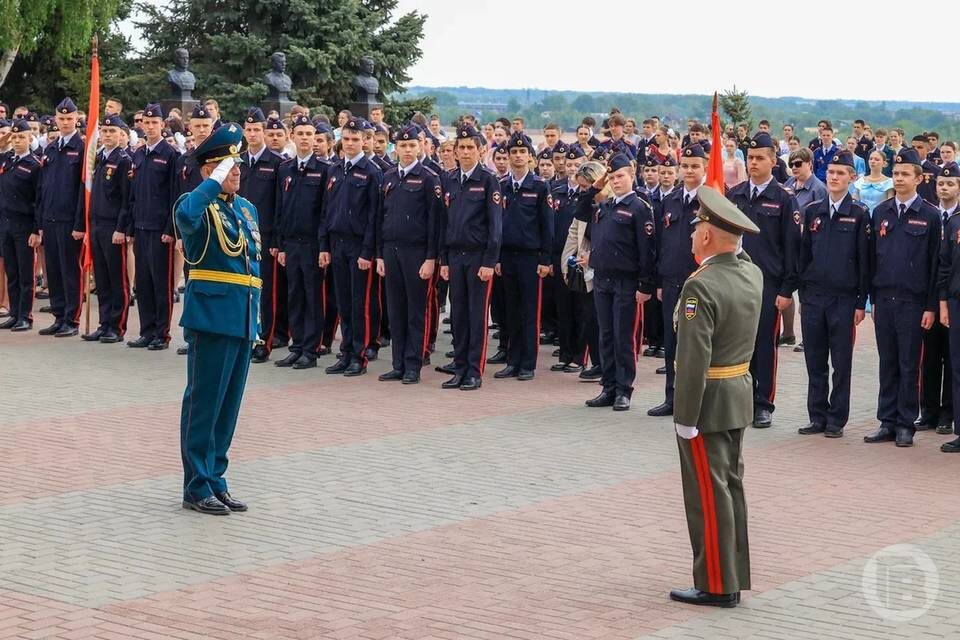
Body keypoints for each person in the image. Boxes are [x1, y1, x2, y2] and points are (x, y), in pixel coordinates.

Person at [669, 185, 762, 610]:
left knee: (708, 493)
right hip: (737, 393)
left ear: (707, 235)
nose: (691, 236)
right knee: (729, 488)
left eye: (696, 229)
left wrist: (684, 416)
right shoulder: (750, 272)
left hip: (706, 404)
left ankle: (717, 583)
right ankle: (732, 574)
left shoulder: (700, 288)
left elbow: (692, 360)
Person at [174, 122, 260, 516]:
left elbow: (251, 268)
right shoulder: (195, 203)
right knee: (204, 404)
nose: (238, 171)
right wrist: (210, 183)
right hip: (210, 317)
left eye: (238, 165)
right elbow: (187, 216)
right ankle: (196, 485)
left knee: (228, 407)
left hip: (241, 318)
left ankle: (217, 479)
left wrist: (255, 321)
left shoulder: (246, 208)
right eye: (229, 166)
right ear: (210, 170)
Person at [865, 148, 941, 448]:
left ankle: (906, 423)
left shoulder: (930, 215)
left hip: (913, 302)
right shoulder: (880, 212)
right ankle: (887, 420)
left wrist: (931, 306)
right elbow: (873, 258)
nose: (898, 178)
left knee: (910, 364)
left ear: (919, 179)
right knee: (887, 362)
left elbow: (936, 265)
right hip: (885, 299)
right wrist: (871, 299)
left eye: (905, 174)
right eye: (895, 174)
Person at [727, 132, 801, 428]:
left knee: (763, 343)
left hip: (767, 284)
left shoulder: (784, 199)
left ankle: (762, 403)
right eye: (751, 158)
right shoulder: (736, 194)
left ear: (773, 161)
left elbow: (792, 248)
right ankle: (739, 399)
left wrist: (786, 290)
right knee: (736, 342)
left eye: (760, 158)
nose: (754, 163)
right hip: (736, 280)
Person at [795, 151, 870, 438]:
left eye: (841, 173)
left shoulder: (860, 213)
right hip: (814, 296)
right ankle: (817, 416)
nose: (835, 177)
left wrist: (861, 302)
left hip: (844, 298)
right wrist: (803, 292)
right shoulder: (813, 210)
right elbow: (804, 254)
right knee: (814, 359)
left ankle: (837, 418)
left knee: (840, 362)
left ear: (852, 177)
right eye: (831, 172)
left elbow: (865, 261)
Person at [577, 154, 656, 411]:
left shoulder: (639, 207)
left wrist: (645, 285)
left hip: (626, 281)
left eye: (620, 176)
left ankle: (624, 389)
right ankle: (608, 387)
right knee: (606, 335)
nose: (616, 181)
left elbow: (647, 250)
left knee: (624, 337)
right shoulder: (605, 206)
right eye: (612, 177)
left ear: (632, 175)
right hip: (602, 279)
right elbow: (581, 208)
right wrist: (599, 185)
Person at [375, 124, 442, 384]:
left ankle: (413, 364)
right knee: (395, 309)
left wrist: (430, 258)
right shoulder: (389, 177)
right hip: (391, 251)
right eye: (402, 145)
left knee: (416, 310)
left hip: (417, 253)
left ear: (420, 147)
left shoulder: (428, 178)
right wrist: (380, 254)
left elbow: (435, 222)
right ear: (396, 147)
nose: (407, 150)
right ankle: (398, 363)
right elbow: (381, 218)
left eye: (412, 145)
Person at [437, 124, 502, 391]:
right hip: (454, 256)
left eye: (469, 148)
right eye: (460, 148)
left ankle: (474, 371)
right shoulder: (450, 179)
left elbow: (495, 226)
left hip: (478, 259)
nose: (464, 152)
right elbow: (443, 223)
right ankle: (460, 367)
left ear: (479, 150)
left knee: (476, 316)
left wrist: (489, 261)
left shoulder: (488, 180)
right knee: (459, 315)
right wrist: (443, 260)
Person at [318, 117, 383, 376]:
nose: (351, 143)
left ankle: (359, 355)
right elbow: (326, 211)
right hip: (337, 243)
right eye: (346, 139)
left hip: (359, 247)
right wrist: (324, 245)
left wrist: (368, 251)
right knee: (343, 302)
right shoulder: (333, 170)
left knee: (360, 303)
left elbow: (374, 217)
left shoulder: (371, 172)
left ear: (365, 141)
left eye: (356, 139)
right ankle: (345, 352)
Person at [647, 144, 706, 417]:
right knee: (672, 342)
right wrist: (659, 281)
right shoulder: (670, 201)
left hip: (700, 284)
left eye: (695, 166)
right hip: (671, 282)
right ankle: (672, 397)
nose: (689, 170)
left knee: (697, 343)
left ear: (704, 168)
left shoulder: (710, 201)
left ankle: (697, 401)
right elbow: (661, 243)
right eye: (686, 165)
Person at [493, 133, 553, 381]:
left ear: (531, 157)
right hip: (507, 256)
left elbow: (546, 225)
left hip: (530, 258)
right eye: (513, 152)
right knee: (511, 311)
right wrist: (495, 257)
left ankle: (527, 363)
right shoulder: (502, 185)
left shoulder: (539, 186)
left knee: (530, 311)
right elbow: (496, 224)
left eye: (522, 152)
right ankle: (512, 360)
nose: (517, 156)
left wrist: (545, 259)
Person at [274, 114, 328, 370]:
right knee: (294, 296)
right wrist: (281, 245)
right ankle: (296, 347)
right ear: (292, 137)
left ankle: (311, 348)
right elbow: (279, 209)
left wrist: (323, 245)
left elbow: (325, 213)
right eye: (301, 134)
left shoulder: (325, 170)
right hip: (291, 244)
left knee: (312, 298)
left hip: (313, 245)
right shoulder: (284, 169)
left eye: (310, 135)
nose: (305, 139)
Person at [127, 103, 180, 350]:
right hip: (141, 227)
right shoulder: (137, 154)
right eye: (145, 123)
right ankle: (146, 330)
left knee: (161, 283)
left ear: (162, 125)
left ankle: (162, 333)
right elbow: (133, 195)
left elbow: (174, 196)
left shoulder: (171, 156)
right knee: (144, 283)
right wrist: (129, 227)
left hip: (160, 230)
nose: (149, 127)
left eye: (154, 123)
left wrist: (171, 229)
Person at [239, 107, 288, 363]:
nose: (253, 134)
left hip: (265, 237)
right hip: (238, 236)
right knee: (243, 290)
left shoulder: (277, 163)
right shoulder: (237, 161)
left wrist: (278, 240)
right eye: (249, 130)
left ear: (265, 133)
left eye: (258, 130)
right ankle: (245, 336)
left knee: (265, 292)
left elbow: (280, 205)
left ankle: (264, 342)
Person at [80, 114, 132, 343]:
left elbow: (126, 199)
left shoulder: (123, 161)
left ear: (122, 135)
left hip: (113, 226)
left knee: (116, 277)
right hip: (97, 225)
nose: (108, 135)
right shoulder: (97, 158)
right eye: (105, 131)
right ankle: (104, 323)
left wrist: (121, 228)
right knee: (101, 278)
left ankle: (117, 326)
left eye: (113, 132)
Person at [36, 98, 85, 338]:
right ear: (55, 119)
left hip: (69, 221)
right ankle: (58, 315)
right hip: (50, 218)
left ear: (77, 119)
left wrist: (79, 223)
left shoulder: (82, 148)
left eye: (69, 118)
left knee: (69, 271)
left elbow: (82, 190)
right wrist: (41, 222)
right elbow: (43, 188)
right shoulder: (51, 148)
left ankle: (71, 318)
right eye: (61, 118)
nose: (65, 122)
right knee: (53, 271)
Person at [919, 162, 960, 435]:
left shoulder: (956, 219)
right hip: (930, 297)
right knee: (929, 357)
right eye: (941, 184)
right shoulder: (931, 215)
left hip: (950, 297)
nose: (944, 188)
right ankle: (929, 411)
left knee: (951, 356)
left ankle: (948, 413)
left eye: (950, 184)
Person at [0, 119, 42, 332]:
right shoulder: (7, 160)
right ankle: (14, 313)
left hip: (24, 226)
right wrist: (5, 138)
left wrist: (36, 229)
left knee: (26, 274)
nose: (17, 141)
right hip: (6, 224)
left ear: (30, 139)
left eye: (21, 137)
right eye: (14, 137)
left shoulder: (34, 165)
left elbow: (39, 200)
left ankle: (25, 316)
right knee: (12, 271)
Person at [936, 162, 960, 453]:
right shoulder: (955, 223)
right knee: (957, 367)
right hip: (956, 301)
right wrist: (943, 304)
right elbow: (945, 266)